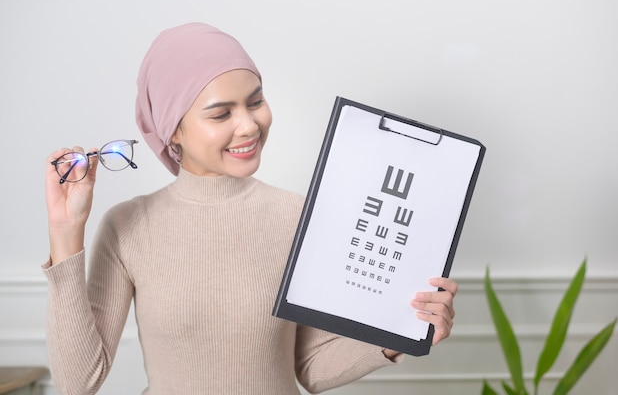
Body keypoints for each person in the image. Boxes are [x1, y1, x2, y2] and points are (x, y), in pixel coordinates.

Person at [43, 22, 457, 395]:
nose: (249, 125)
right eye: (221, 113)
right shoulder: (128, 226)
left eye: (255, 102)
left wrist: (395, 337)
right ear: (174, 133)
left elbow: (311, 368)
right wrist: (66, 230)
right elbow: (79, 383)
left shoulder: (296, 215)